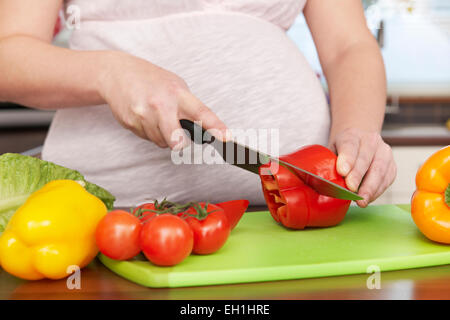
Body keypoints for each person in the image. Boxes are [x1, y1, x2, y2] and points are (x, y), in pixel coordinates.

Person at [0, 0, 396, 207]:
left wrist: (358, 131)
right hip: (101, 219)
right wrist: (109, 73)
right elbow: (7, 54)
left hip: (299, 216)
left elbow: (349, 46)